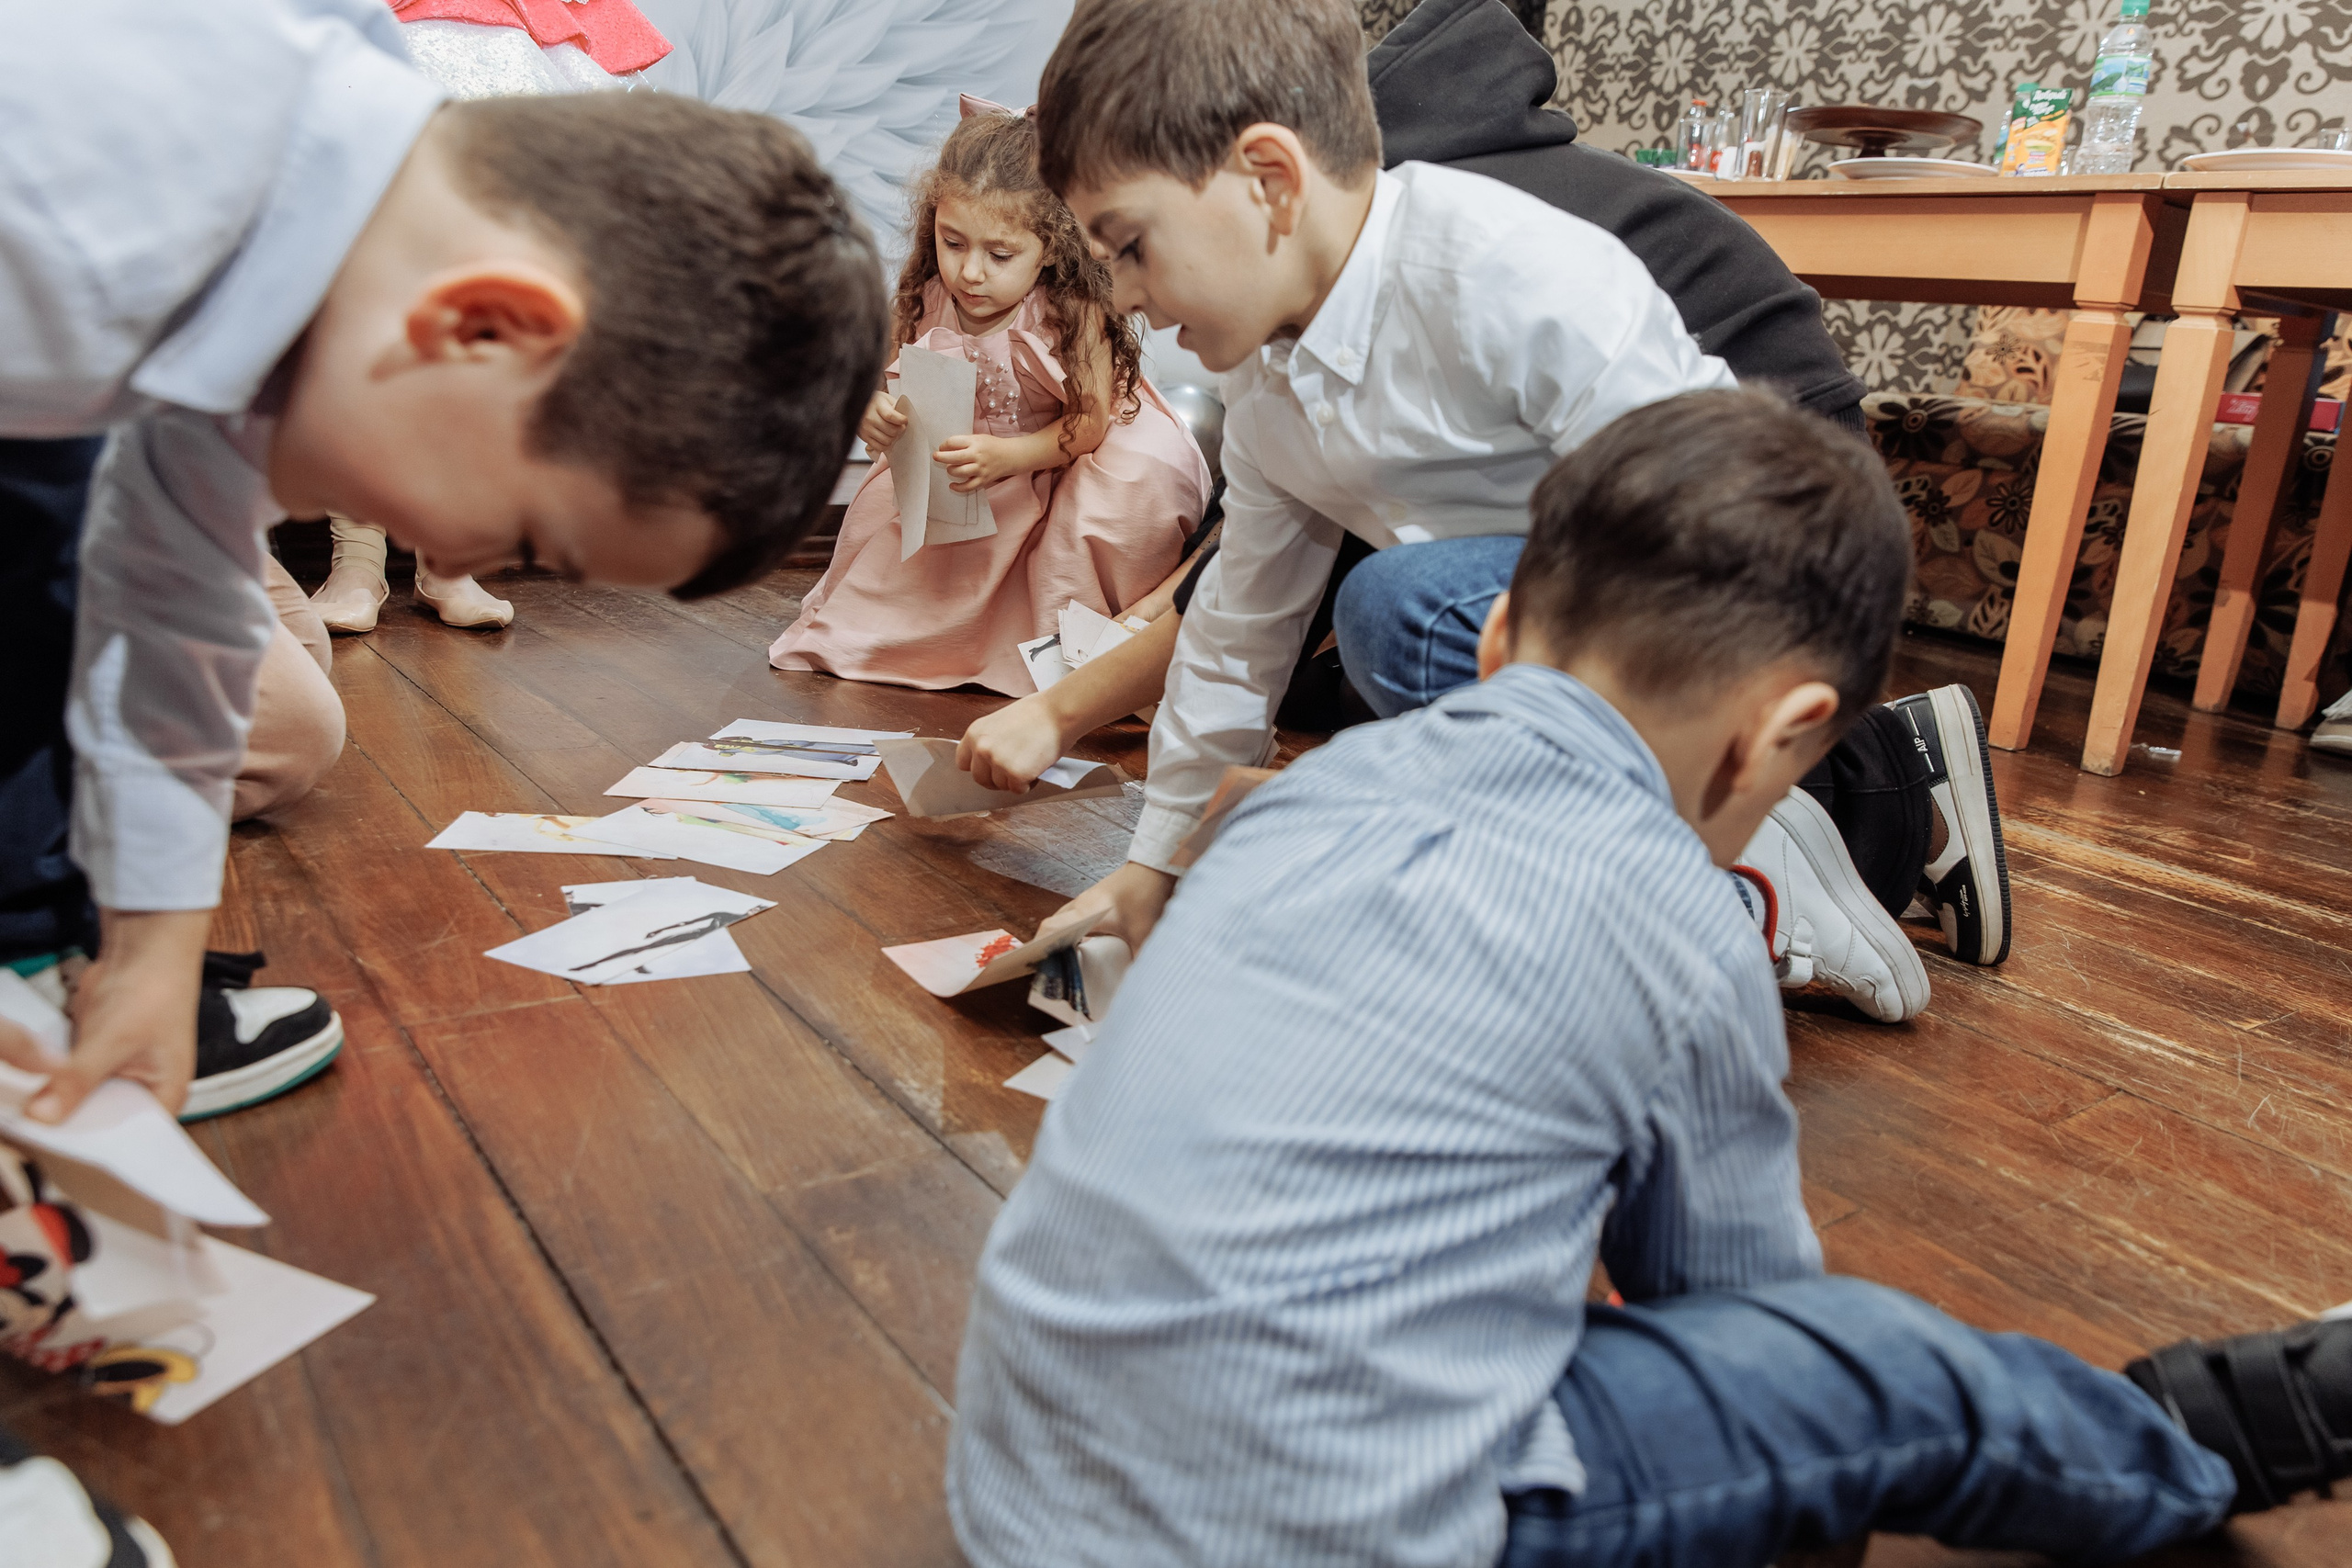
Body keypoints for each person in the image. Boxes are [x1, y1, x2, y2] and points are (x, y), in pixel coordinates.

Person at [944, 389, 2346, 1567]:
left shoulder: (1286, 803)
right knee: (1877, 1367)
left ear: (1495, 639)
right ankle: (2204, 1435)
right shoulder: (1678, 912)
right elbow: (1746, 1314)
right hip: (1334, 1524)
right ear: (1783, 733)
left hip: (1022, 1488)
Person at [956, 0, 2009, 1021]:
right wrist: (1158, 864)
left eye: (1130, 247)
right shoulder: (1264, 384)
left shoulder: (1506, 271)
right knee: (1385, 654)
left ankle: (1750, 871)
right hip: (1557, 613)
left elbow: (1702, 531)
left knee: (1397, 613)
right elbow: (1239, 634)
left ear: (1269, 182)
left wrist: (1673, 815)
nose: (1121, 296)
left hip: (1736, 564)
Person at [0, 0, 887, 1131]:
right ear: (483, 329)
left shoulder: (311, 222)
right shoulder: (74, 216)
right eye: (521, 536)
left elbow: (177, 619)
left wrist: (155, 952)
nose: (466, 562)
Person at [772, 98, 1210, 696]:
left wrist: (1012, 457)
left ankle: (1085, 650)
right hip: (968, 463)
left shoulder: (1071, 310)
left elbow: (1088, 424)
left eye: (1000, 255)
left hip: (1067, 447)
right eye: (952, 242)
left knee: (1125, 493)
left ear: (1050, 247)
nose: (971, 272)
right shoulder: (926, 296)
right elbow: (882, 382)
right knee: (895, 537)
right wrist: (871, 413)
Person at [308, 0, 680, 637]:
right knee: (361, 319)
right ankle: (358, 565)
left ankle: (448, 563)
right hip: (373, 33)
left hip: (486, 32)